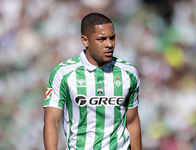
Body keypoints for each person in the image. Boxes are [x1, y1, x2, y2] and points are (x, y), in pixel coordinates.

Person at [43, 12, 142, 150]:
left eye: (112, 38)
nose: (109, 44)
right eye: (102, 39)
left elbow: (132, 122)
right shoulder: (64, 73)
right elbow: (51, 121)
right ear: (85, 40)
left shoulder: (128, 73)